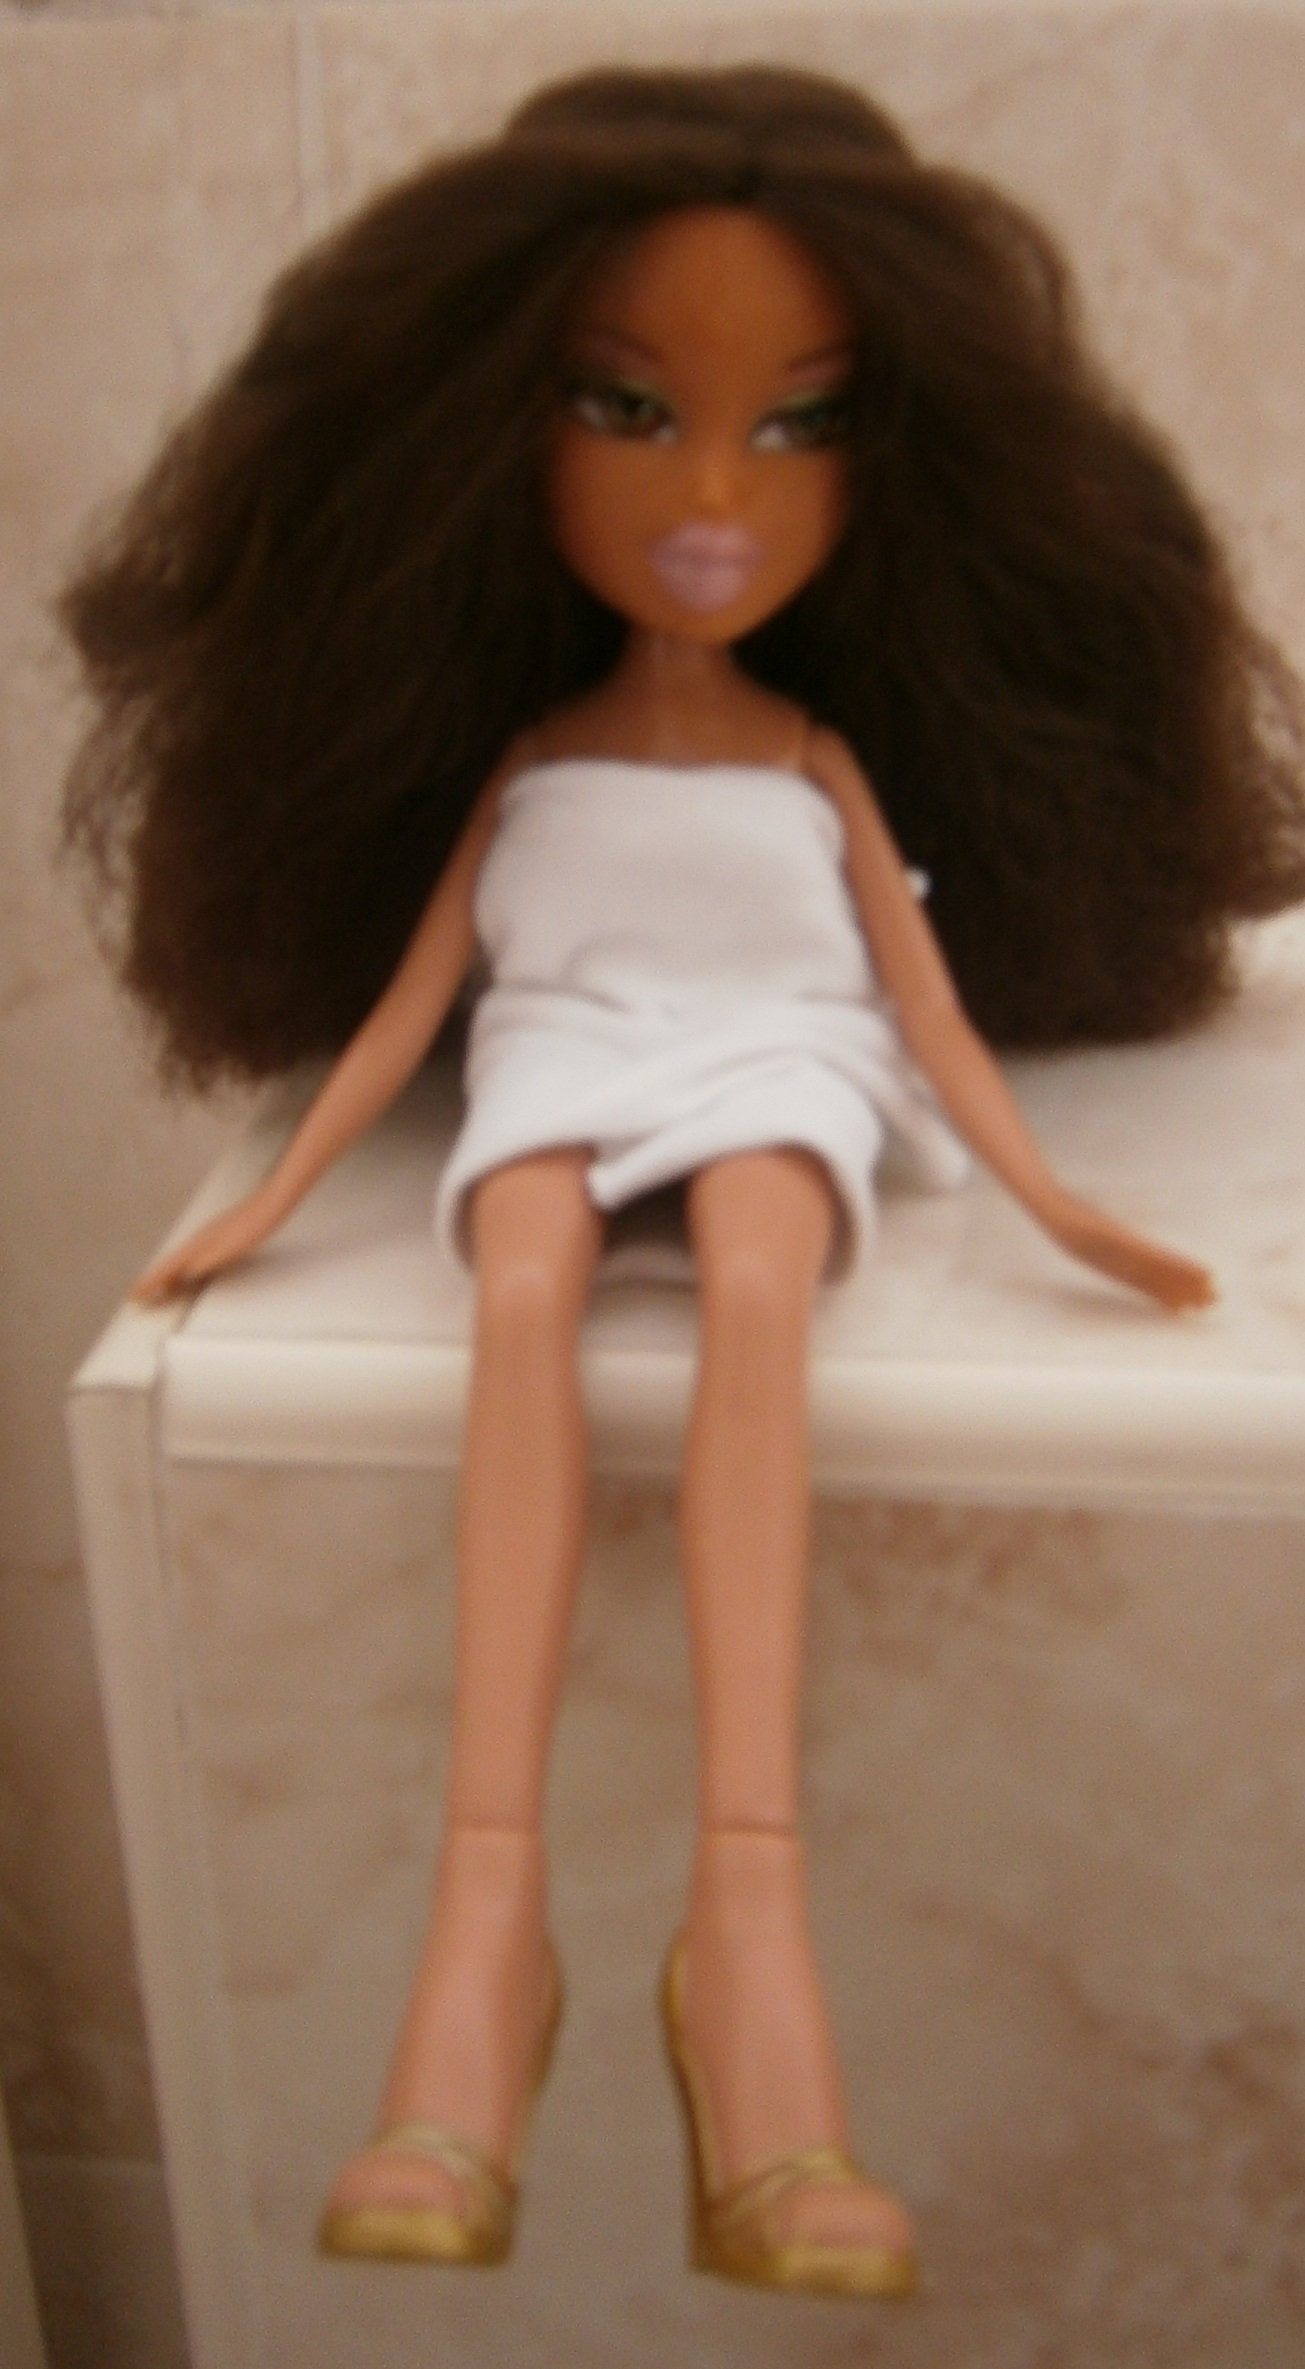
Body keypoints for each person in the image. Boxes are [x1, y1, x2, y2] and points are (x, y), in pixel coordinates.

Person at [60, 65, 1304, 2299]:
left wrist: (1056, 1206)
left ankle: (750, 1939)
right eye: (626, 407)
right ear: (481, 436)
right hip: (558, 1047)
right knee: (525, 1271)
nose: (717, 497)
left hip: (775, 1058)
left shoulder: (816, 760)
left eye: (801, 422)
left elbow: (921, 1016)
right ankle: (482, 1935)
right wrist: (263, 1207)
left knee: (753, 1264)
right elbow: (406, 1013)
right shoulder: (530, 762)